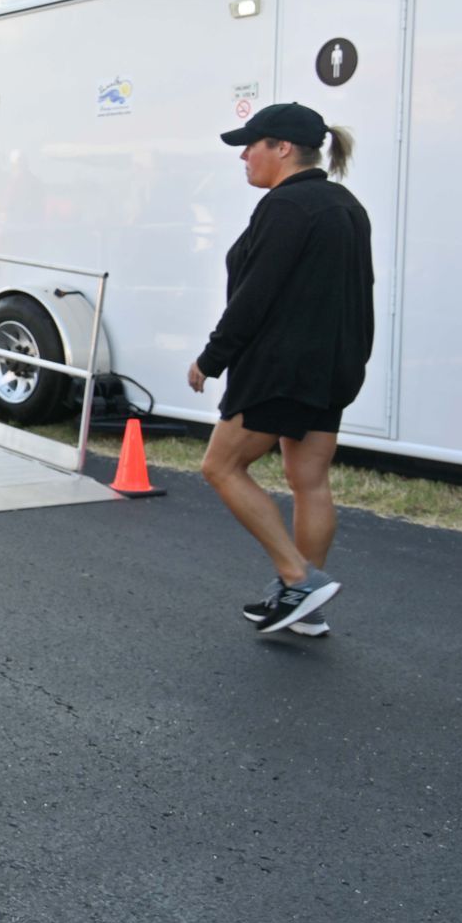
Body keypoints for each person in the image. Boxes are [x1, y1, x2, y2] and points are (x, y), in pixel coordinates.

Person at [189, 102, 370, 636]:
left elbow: (256, 295)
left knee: (220, 467)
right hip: (331, 367)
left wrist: (213, 357)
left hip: (281, 368)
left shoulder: (287, 207)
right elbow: (361, 294)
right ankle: (303, 604)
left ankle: (298, 579)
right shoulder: (344, 204)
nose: (244, 155)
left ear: (283, 148)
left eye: (253, 144)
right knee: (308, 480)